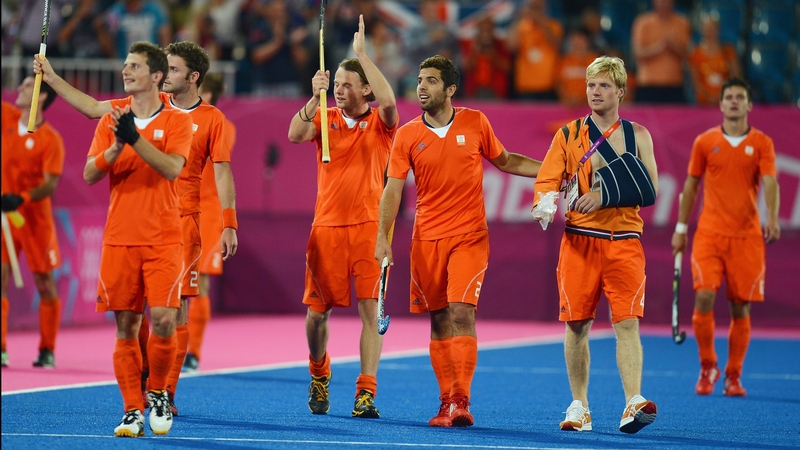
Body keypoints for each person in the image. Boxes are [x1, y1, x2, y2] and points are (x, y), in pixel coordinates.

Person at [33, 40, 239, 416]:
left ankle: (166, 392)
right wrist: (53, 78)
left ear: (191, 77)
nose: (168, 77)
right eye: (167, 69)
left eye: (174, 70)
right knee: (134, 316)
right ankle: (143, 380)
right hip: (133, 225)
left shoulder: (208, 119)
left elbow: (222, 171)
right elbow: (92, 109)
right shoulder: (135, 109)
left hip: (183, 223)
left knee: (172, 314)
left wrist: (229, 222)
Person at [375, 55, 541, 428]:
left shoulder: (476, 121)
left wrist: (552, 171)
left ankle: (462, 402)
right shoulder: (407, 134)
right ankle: (446, 403)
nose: (421, 86)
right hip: (426, 240)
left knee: (462, 312)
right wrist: (383, 239)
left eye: (431, 81)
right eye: (419, 79)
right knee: (438, 323)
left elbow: (508, 161)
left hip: (469, 236)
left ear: (450, 89)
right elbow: (392, 191)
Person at [531, 55, 659, 434]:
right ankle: (579, 406)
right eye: (591, 85)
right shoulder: (569, 134)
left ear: (621, 91)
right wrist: (544, 203)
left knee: (627, 324)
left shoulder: (639, 135)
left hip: (624, 243)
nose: (596, 92)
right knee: (576, 326)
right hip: (580, 243)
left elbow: (649, 189)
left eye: (604, 85)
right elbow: (547, 179)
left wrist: (604, 195)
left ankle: (633, 401)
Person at [287, 14, 398, 419]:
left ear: (364, 88)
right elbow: (293, 135)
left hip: (370, 229)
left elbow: (388, 102)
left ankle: (366, 392)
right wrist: (311, 96)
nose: (337, 89)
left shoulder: (382, 126)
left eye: (345, 84)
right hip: (327, 229)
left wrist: (362, 56)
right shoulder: (323, 118)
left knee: (371, 312)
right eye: (334, 84)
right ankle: (319, 372)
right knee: (317, 316)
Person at [84, 41, 192, 437]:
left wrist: (135, 140)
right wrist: (116, 145)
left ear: (156, 75)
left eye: (134, 66)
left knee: (163, 320)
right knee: (126, 327)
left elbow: (171, 169)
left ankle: (159, 392)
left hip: (164, 237)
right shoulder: (111, 120)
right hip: (120, 238)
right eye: (125, 65)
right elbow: (89, 175)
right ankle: (132, 410)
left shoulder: (178, 121)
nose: (126, 71)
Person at [671, 77, 780, 397]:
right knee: (704, 296)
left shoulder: (762, 143)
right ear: (720, 105)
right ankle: (708, 365)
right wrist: (680, 229)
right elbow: (690, 186)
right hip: (709, 234)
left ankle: (733, 375)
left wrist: (772, 217)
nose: (733, 101)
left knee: (740, 307)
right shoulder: (704, 142)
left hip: (746, 238)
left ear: (748, 105)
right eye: (728, 97)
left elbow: (771, 182)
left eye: (739, 97)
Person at [1, 78, 64, 369]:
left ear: (42, 95)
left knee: (44, 283)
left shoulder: (51, 139)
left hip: (35, 220)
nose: (21, 88)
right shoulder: (9, 118)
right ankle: (1, 348)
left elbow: (50, 185)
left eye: (28, 85)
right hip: (6, 219)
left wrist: (22, 197)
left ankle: (47, 349)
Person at [182, 72, 236, 373]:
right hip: (178, 208)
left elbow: (222, 167)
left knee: (199, 282)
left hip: (209, 211)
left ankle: (194, 352)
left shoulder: (221, 124)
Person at [631, 0, 690, 103]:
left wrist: (673, 46)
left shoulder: (682, 22)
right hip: (648, 85)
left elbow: (687, 54)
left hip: (674, 85)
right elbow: (638, 53)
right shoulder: (643, 22)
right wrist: (659, 47)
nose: (663, 3)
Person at [688, 17, 741, 106]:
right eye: (707, 30)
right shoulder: (696, 53)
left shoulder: (728, 51)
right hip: (704, 102)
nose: (710, 33)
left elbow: (735, 76)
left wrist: (721, 95)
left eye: (712, 30)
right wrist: (709, 97)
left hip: (726, 100)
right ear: (702, 31)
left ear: (718, 31)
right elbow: (695, 82)